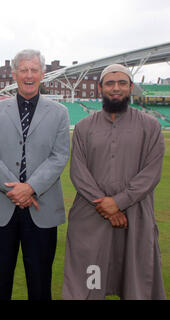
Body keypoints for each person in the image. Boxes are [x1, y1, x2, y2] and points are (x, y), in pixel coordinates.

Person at [62, 64, 166, 300]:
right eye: (110, 83)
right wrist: (108, 208)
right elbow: (78, 172)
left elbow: (151, 174)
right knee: (89, 282)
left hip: (135, 218)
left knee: (135, 284)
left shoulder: (150, 127)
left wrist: (118, 202)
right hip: (91, 218)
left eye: (122, 83)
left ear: (130, 87)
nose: (115, 88)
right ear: (100, 88)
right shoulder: (83, 127)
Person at [0, 49, 70, 300]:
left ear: (42, 74)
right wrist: (15, 190)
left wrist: (30, 188)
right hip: (1, 210)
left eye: (34, 70)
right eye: (23, 70)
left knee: (40, 285)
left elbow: (60, 156)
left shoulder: (60, 112)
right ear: (14, 74)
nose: (29, 75)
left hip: (41, 209)